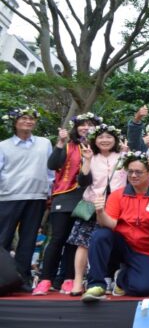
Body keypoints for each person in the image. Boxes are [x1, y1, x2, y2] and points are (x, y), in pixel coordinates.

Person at [81, 151, 149, 301]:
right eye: (130, 172)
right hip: (121, 244)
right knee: (100, 234)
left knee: (143, 289)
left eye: (138, 172)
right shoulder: (117, 194)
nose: (133, 176)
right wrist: (100, 212)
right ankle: (96, 284)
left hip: (144, 250)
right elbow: (109, 224)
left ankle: (121, 277)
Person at [32, 112, 101, 295]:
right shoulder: (68, 145)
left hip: (86, 198)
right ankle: (46, 279)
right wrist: (60, 143)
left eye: (90, 125)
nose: (86, 128)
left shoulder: (99, 148)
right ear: (76, 128)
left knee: (75, 241)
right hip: (63, 195)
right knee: (58, 238)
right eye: (82, 124)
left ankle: (68, 279)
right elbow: (53, 164)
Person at [65, 124, 127, 296]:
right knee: (84, 243)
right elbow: (83, 182)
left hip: (118, 206)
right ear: (95, 140)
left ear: (115, 140)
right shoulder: (91, 156)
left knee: (116, 240)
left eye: (109, 137)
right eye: (101, 137)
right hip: (93, 205)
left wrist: (126, 155)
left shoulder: (123, 156)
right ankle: (78, 280)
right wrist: (87, 160)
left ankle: (112, 278)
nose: (105, 140)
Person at [0, 107, 53, 292]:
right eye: (23, 118)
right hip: (8, 197)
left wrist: (50, 192)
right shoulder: (3, 145)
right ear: (15, 122)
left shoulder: (44, 143)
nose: (28, 122)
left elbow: (50, 170)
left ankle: (22, 278)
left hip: (37, 196)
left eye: (31, 119)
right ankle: (4, 278)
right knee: (3, 240)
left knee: (28, 240)